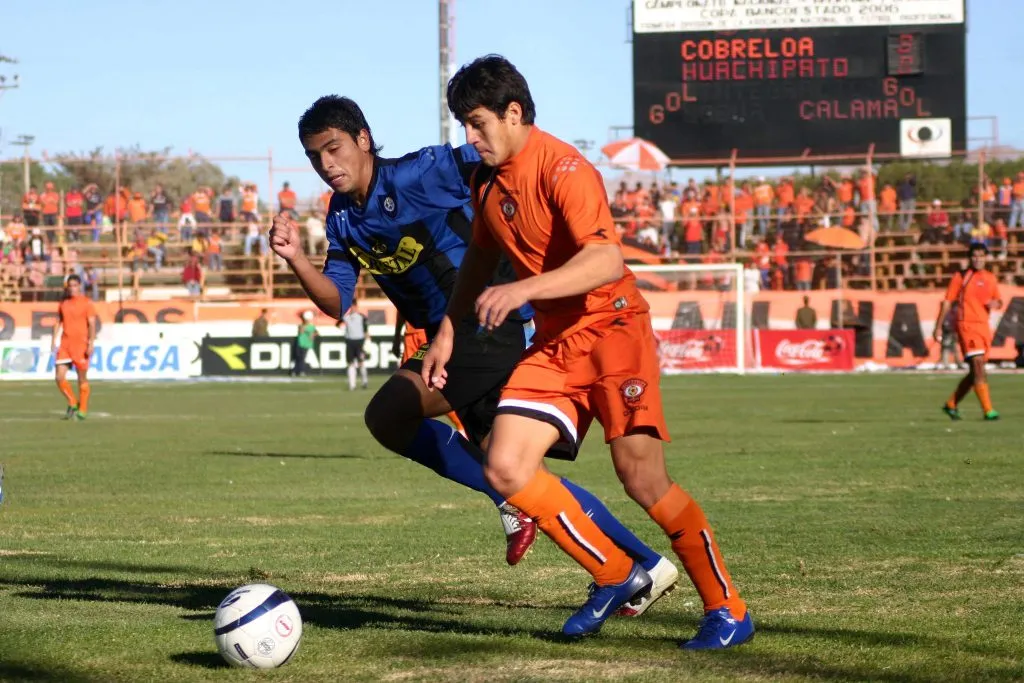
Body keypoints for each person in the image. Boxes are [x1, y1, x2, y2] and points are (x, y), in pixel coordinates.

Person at [269, 96, 678, 610]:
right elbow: (337, 299)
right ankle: (642, 566)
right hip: (450, 341)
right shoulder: (341, 217)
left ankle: (523, 509)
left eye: (334, 148)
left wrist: (546, 211)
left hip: (484, 325)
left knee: (390, 415)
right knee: (517, 474)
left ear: (363, 140)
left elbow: (498, 154)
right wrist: (296, 261)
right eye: (314, 157)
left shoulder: (420, 173)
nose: (327, 165)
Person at [423, 55, 753, 646]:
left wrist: (520, 288)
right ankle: (615, 572)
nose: (469, 139)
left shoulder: (564, 168)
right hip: (554, 342)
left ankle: (728, 608)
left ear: (514, 112)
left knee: (642, 479)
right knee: (504, 466)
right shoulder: (486, 180)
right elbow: (478, 253)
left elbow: (605, 260)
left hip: (613, 330)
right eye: (464, 127)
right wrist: (448, 327)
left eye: (477, 124)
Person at [934, 242, 1002, 420]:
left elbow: (998, 300)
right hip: (967, 325)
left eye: (981, 255)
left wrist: (996, 304)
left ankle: (951, 404)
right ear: (969, 258)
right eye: (974, 255)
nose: (978, 259)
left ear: (986, 257)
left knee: (976, 371)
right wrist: (938, 326)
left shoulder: (990, 278)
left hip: (983, 327)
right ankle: (988, 411)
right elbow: (948, 301)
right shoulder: (961, 277)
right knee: (978, 365)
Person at [393, 312, 467, 437]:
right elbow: (401, 311)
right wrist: (396, 337)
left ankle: (462, 425)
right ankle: (415, 435)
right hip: (409, 336)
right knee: (405, 385)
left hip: (426, 332)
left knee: (434, 382)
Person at [52, 274, 96, 421]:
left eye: (75, 285)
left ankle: (82, 408)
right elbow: (59, 321)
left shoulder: (87, 303)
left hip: (81, 344)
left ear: (79, 286)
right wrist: (54, 340)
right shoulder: (63, 303)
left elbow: (92, 324)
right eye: (70, 286)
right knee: (59, 377)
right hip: (65, 344)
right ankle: (72, 402)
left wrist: (91, 343)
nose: (72, 288)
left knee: (82, 378)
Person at [339, 298, 370, 390]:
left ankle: (364, 381)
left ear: (356, 306)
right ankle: (352, 385)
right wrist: (343, 331)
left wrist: (367, 341)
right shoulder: (346, 317)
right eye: (351, 307)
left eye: (353, 306)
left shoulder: (362, 317)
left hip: (359, 342)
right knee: (350, 363)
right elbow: (337, 324)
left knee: (361, 362)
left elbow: (366, 330)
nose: (352, 308)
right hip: (349, 342)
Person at [292, 311, 318, 377]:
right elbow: (301, 330)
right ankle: (296, 371)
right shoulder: (301, 325)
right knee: (298, 358)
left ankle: (300, 371)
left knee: (302, 358)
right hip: (300, 343)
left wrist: (313, 335)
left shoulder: (312, 327)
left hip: (306, 344)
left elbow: (316, 332)